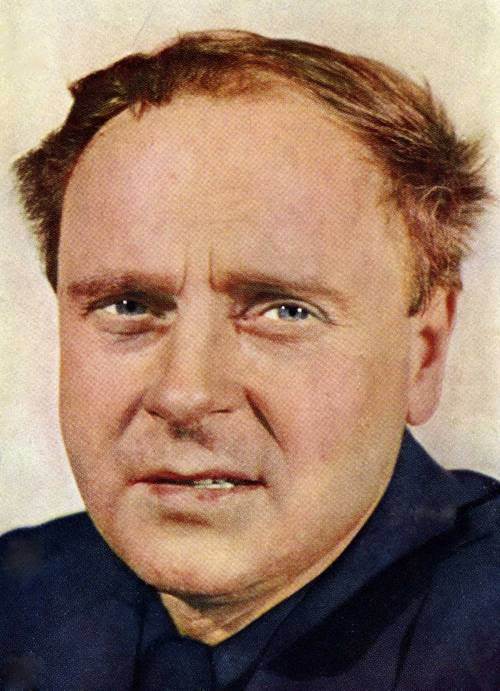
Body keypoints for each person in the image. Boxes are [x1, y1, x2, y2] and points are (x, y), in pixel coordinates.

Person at [1, 29, 498, 690]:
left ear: (424, 354)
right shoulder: (17, 601)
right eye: (129, 305)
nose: (185, 393)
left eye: (285, 311)